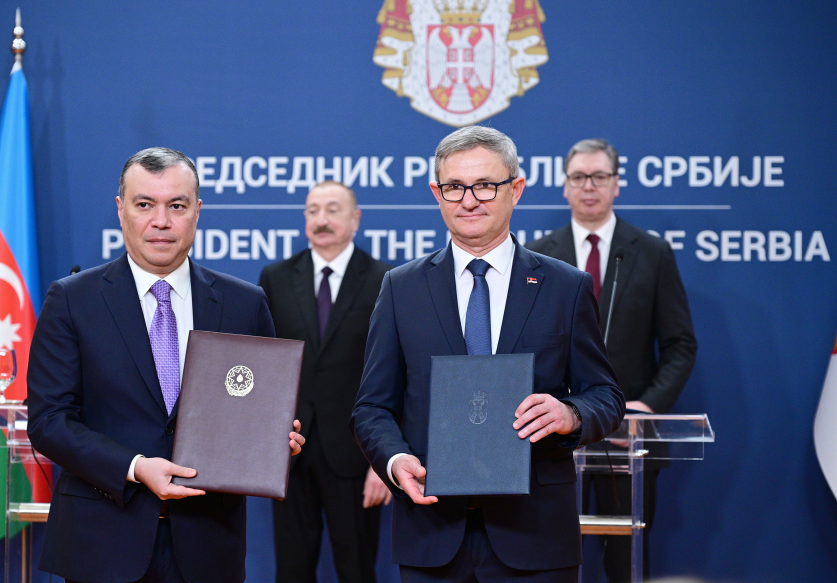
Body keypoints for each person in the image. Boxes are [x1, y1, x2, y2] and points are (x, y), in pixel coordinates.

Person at [350, 126, 625, 583]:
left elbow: (606, 396)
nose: (469, 200)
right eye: (454, 187)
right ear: (437, 193)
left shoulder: (565, 286)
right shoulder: (401, 288)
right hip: (431, 532)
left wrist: (570, 414)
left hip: (536, 534)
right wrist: (395, 462)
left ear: (515, 189)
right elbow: (371, 408)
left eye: (485, 185)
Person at [27, 147, 305, 583]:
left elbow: (262, 413)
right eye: (144, 205)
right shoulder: (72, 300)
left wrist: (276, 442)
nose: (161, 221)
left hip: (208, 547)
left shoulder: (244, 304)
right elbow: (49, 422)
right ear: (121, 210)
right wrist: (135, 466)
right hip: (102, 544)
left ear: (197, 211)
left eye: (177, 206)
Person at [526, 138, 697, 583]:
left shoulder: (652, 252)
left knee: (626, 565)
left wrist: (645, 406)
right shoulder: (536, 256)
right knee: (550, 562)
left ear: (616, 184)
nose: (589, 186)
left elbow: (680, 344)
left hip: (629, 440)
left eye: (599, 176)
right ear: (565, 186)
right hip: (556, 443)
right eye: (579, 177)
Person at [259, 180, 391, 583]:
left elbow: (395, 372)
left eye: (333, 210)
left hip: (356, 452)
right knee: (291, 571)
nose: (322, 219)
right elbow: (265, 364)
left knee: (357, 570)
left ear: (355, 219)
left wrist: (383, 461)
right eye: (313, 210)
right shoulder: (276, 278)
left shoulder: (385, 279)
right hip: (289, 453)